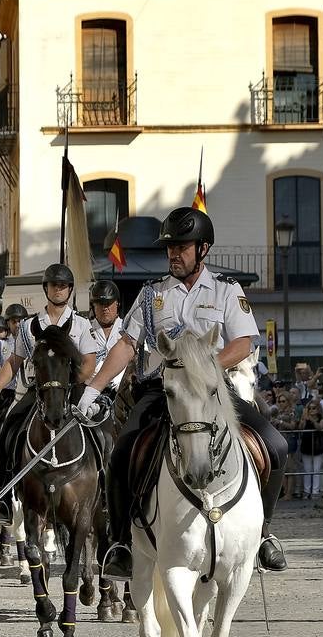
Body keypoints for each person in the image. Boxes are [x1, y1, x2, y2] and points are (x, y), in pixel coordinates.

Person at [77, 207, 288, 576]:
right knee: (121, 452)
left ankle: (264, 533)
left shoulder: (226, 290)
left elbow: (243, 342)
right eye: (170, 247)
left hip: (213, 390)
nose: (173, 254)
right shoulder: (151, 294)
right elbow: (127, 344)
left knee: (276, 445)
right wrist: (93, 388)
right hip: (162, 390)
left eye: (182, 247)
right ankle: (122, 541)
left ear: (203, 249)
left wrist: (205, 369)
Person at [0, 262, 98, 521]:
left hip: (72, 390)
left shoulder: (80, 325)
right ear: (45, 288)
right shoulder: (28, 326)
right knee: (9, 428)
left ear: (69, 290)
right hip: (38, 391)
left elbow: (89, 362)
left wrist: (70, 381)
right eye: (54, 285)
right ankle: (4, 496)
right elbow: (14, 361)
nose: (58, 290)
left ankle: (102, 485)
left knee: (102, 432)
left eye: (63, 286)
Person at [89, 280, 124, 396]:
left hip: (122, 391)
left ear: (117, 303)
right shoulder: (84, 330)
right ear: (93, 306)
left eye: (108, 303)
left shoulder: (130, 328)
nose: (105, 308)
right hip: (90, 391)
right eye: (100, 303)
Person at [299, 399, 323, 498]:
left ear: (318, 409)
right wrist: (304, 418)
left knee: (316, 469)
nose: (311, 410)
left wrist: (313, 420)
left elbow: (319, 427)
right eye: (309, 408)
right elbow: (301, 428)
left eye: (313, 408)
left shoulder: (321, 419)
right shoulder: (305, 418)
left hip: (318, 446)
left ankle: (315, 491)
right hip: (306, 445)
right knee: (307, 470)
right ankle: (306, 491)